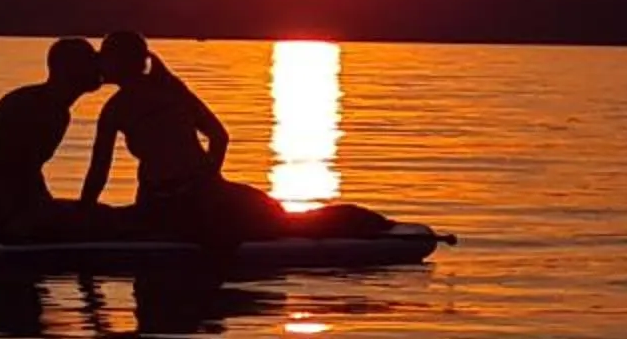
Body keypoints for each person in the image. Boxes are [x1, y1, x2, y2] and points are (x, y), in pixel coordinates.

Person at [83, 33, 396, 247]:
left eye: (105, 59)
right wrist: (207, 179)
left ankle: (368, 225)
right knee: (279, 217)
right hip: (192, 195)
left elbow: (99, 172)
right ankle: (370, 222)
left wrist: (85, 214)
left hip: (176, 203)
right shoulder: (171, 88)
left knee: (278, 221)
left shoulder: (117, 109)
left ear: (122, 63)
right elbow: (219, 138)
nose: (100, 66)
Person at [0, 38, 115, 249]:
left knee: (95, 214)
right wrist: (27, 221)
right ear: (70, 69)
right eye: (90, 60)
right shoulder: (44, 109)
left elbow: (23, 171)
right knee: (105, 219)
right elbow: (6, 168)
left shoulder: (37, 101)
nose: (98, 65)